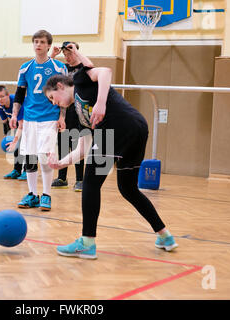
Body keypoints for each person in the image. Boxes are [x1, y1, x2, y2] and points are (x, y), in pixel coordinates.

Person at [44, 46, 178, 259]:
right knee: (128, 188)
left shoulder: (79, 80)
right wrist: (60, 164)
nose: (54, 103)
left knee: (90, 183)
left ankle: (87, 242)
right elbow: (83, 149)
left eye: (52, 98)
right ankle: (165, 235)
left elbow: (105, 72)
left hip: (118, 127)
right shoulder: (79, 115)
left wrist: (101, 102)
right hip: (135, 128)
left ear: (60, 86)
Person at [9, 30, 67, 211]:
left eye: (42, 42)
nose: (38, 45)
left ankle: (47, 195)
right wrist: (14, 114)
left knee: (45, 157)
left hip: (49, 117)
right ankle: (33, 194)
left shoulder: (58, 67)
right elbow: (19, 94)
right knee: (30, 157)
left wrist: (62, 116)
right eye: (35, 42)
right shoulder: (25, 67)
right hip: (30, 118)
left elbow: (65, 94)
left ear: (49, 45)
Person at [49, 41, 94, 192]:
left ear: (75, 52)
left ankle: (80, 179)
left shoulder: (83, 67)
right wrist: (53, 55)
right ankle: (62, 178)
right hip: (65, 111)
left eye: (70, 53)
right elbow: (47, 71)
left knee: (78, 145)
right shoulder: (63, 68)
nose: (67, 57)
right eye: (65, 54)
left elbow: (91, 68)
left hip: (80, 111)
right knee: (63, 143)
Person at [0, 85, 26, 180]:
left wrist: (15, 141)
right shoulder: (0, 107)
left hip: (30, 121)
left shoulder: (17, 104)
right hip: (19, 122)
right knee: (16, 145)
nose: (0, 99)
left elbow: (22, 125)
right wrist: (8, 138)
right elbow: (5, 123)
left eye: (2, 96)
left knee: (27, 146)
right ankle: (17, 170)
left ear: (8, 95)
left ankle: (27, 171)